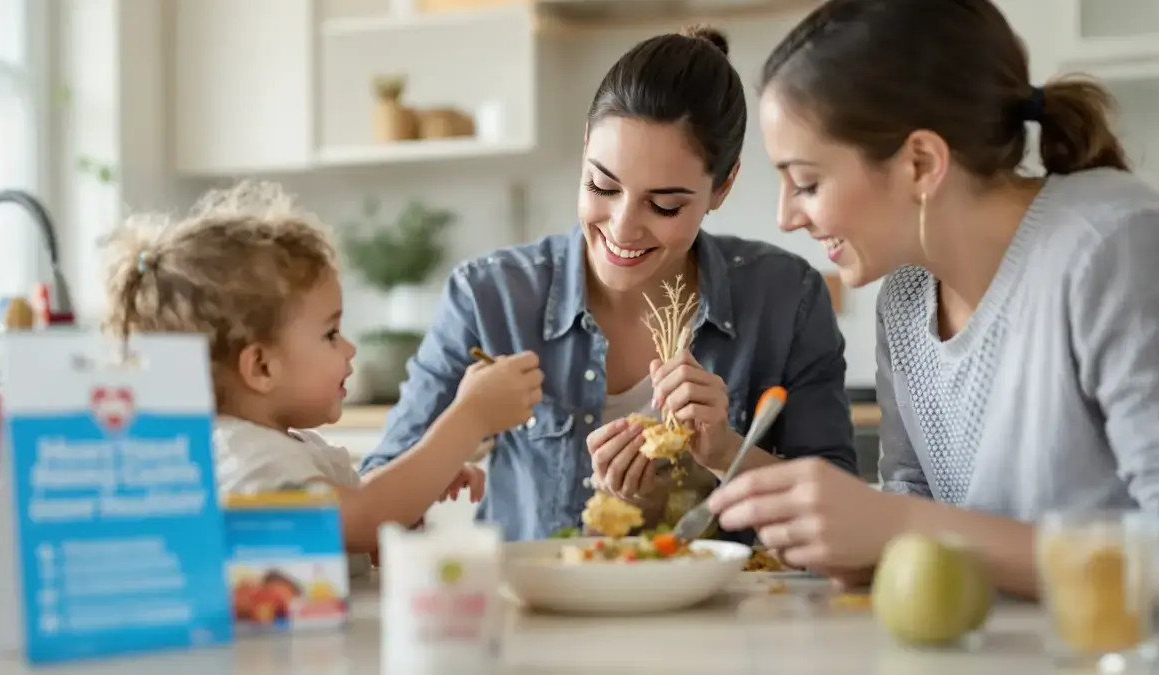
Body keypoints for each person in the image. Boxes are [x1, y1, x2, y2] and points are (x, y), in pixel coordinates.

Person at [707, 0, 1159, 597]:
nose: (786, 217)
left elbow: (917, 525)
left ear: (921, 162)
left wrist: (898, 528)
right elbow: (914, 513)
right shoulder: (907, 296)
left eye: (808, 182)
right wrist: (852, 542)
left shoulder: (1111, 248)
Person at [360, 25, 857, 542]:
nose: (622, 228)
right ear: (584, 148)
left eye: (664, 205)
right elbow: (370, 505)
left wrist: (725, 451)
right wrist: (461, 426)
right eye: (602, 185)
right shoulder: (491, 298)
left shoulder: (786, 298)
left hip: (732, 614)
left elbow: (843, 514)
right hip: (541, 613)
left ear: (722, 185)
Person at [100, 181, 544, 554]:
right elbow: (365, 517)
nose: (349, 349)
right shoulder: (248, 460)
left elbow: (367, 514)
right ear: (261, 367)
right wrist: (468, 420)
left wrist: (422, 481)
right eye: (330, 334)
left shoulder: (282, 447)